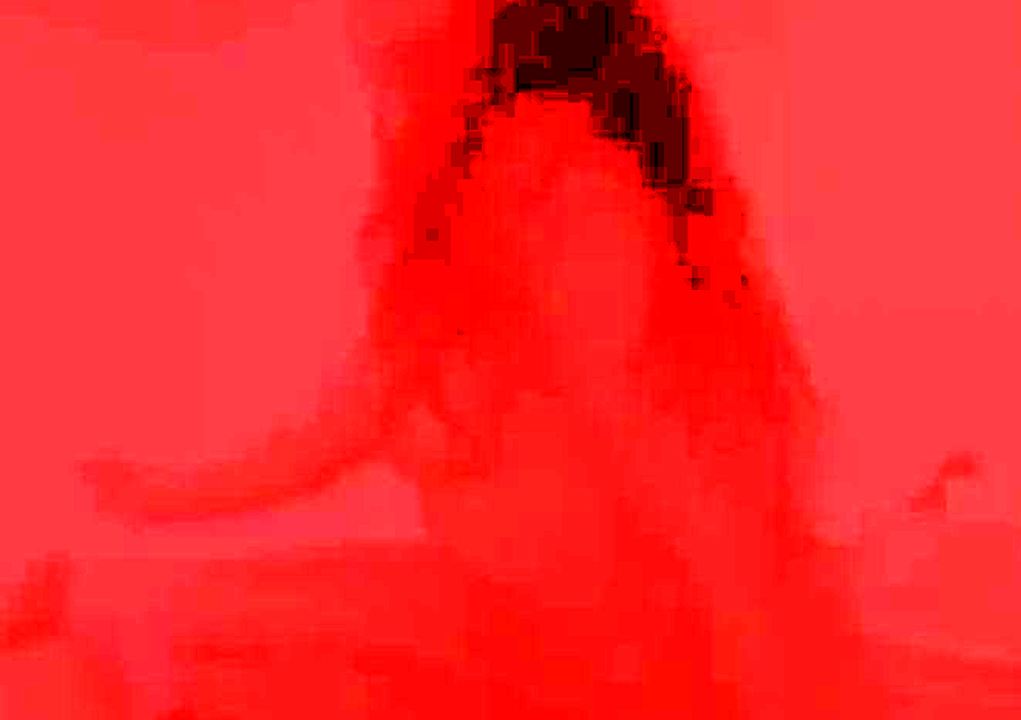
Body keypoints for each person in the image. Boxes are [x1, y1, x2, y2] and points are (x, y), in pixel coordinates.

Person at [79, 1, 878, 716]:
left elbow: (685, 470)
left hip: (613, 659)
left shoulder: (557, 178)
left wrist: (769, 679)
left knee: (176, 626)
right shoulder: (474, 192)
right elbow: (352, 417)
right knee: (161, 615)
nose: (361, 31)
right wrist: (164, 497)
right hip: (533, 630)